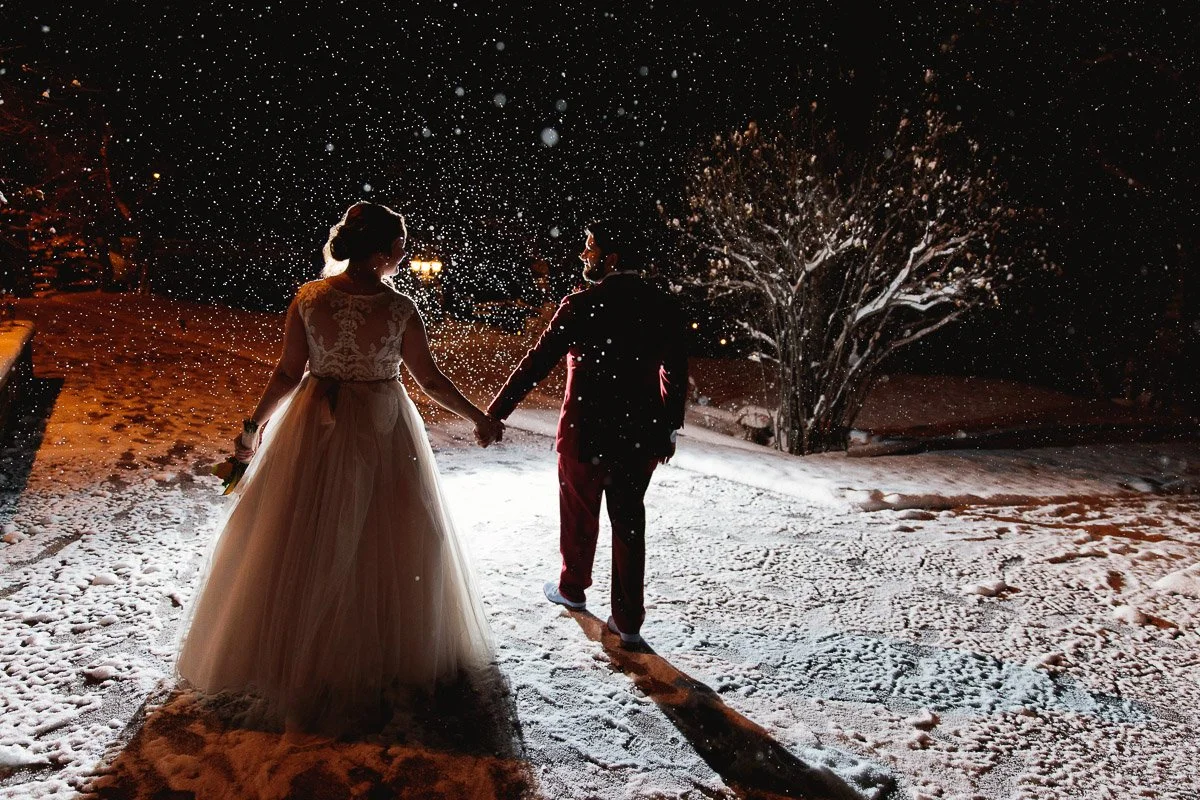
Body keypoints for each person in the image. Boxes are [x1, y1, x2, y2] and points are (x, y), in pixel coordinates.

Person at [175, 201, 505, 734]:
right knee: (390, 538)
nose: (405, 251)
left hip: (314, 423)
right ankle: (377, 655)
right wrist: (479, 417)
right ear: (381, 254)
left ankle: (291, 651)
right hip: (381, 426)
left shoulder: (309, 298)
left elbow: (287, 372)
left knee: (301, 533)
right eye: (400, 243)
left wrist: (254, 426)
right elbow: (431, 380)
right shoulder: (399, 309)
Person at [486, 218, 688, 647]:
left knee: (580, 513)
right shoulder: (661, 307)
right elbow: (675, 370)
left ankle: (573, 589)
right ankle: (628, 621)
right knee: (630, 519)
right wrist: (669, 426)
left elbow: (534, 366)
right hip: (640, 436)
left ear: (611, 258)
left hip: (585, 433)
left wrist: (496, 412)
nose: (584, 254)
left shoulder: (581, 306)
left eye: (591, 247)